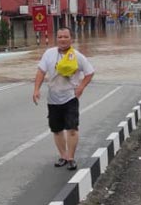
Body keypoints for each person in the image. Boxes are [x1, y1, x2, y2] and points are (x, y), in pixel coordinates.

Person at [32, 26, 95, 170]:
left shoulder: (78, 56)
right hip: (53, 98)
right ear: (57, 39)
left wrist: (81, 87)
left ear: (71, 38)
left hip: (70, 97)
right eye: (60, 37)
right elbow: (41, 72)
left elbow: (90, 73)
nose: (63, 39)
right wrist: (36, 89)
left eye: (66, 37)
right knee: (56, 129)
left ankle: (71, 157)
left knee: (72, 128)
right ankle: (63, 156)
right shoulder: (49, 54)